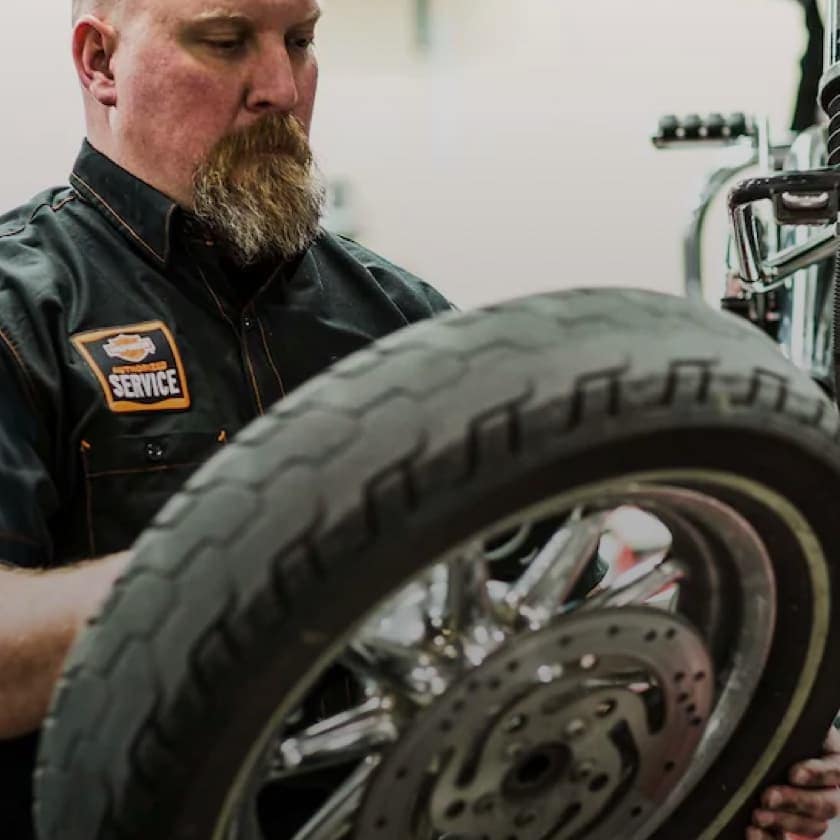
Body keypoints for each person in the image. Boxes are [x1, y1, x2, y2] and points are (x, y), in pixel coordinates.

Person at [0, 0, 836, 837]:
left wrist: (736, 748)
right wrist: (255, 560)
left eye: (301, 41)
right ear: (100, 62)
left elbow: (574, 625)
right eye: (224, 42)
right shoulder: (19, 312)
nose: (282, 88)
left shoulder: (403, 321)